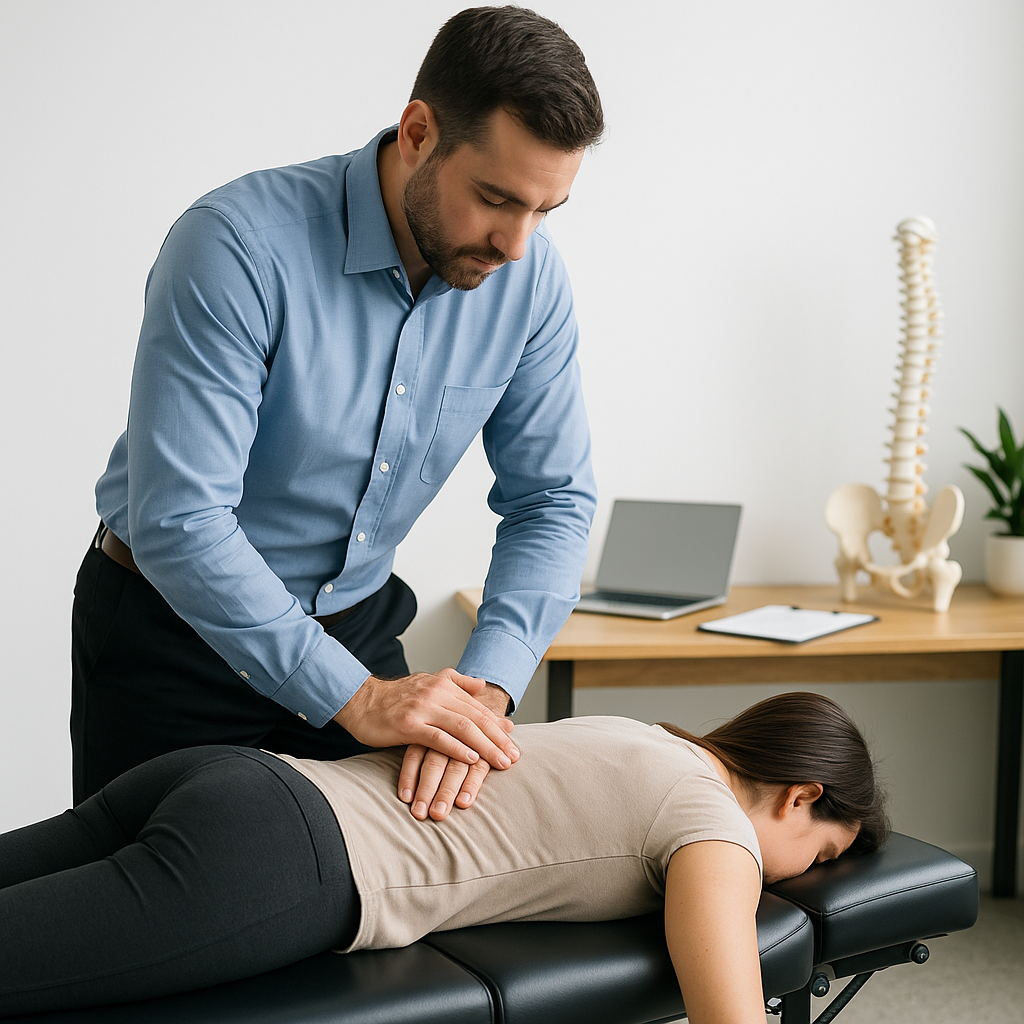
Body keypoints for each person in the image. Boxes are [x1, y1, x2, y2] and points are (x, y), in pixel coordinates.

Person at [71, 6, 604, 818]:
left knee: (374, 917)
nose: (517, 246)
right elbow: (183, 519)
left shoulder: (528, 283)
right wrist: (354, 699)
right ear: (419, 132)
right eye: (496, 198)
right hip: (169, 636)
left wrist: (486, 691)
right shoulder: (235, 247)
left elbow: (552, 501)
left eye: (544, 211)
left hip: (353, 630)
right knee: (138, 928)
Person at [1, 693, 888, 1022]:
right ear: (800, 794)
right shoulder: (715, 822)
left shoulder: (641, 732)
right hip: (281, 862)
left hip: (233, 774)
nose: (802, 876)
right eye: (819, 855)